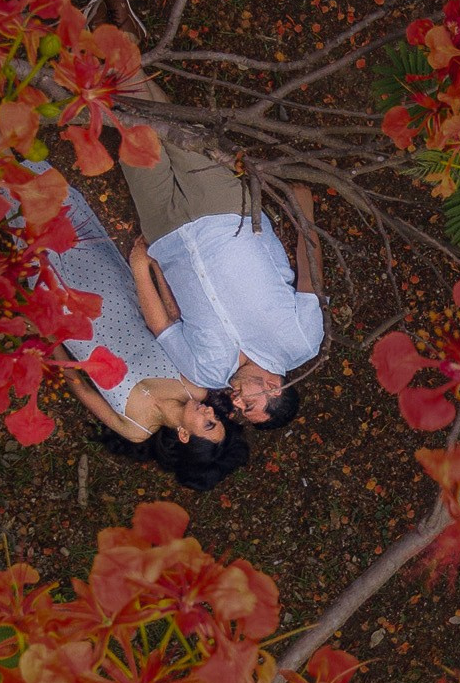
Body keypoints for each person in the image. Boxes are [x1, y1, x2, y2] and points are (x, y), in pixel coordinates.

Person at [41, 183, 250, 492]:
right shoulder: (194, 385)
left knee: (29, 245)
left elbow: (80, 387)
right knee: (59, 212)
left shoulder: (135, 429)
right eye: (217, 419)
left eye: (209, 423)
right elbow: (172, 319)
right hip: (111, 286)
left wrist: (47, 337)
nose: (211, 412)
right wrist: (153, 266)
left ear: (184, 435)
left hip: (66, 318)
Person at [120, 125, 323, 431]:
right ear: (274, 388)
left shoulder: (205, 374)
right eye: (248, 406)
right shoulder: (303, 342)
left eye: (241, 411)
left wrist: (140, 267)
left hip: (165, 234)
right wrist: (304, 212)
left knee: (134, 136)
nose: (235, 404)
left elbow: (162, 327)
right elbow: (310, 276)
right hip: (226, 211)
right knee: (172, 123)